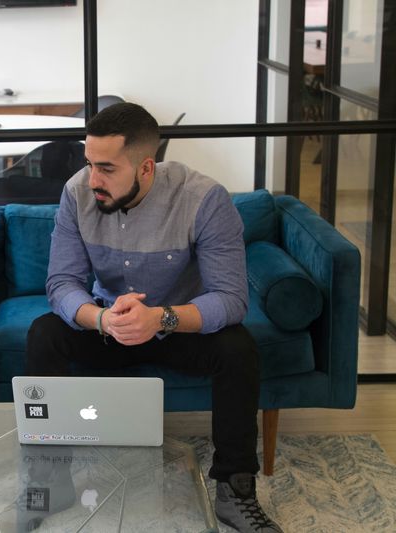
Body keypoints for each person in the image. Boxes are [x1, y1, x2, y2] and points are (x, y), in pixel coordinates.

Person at [25, 103, 283, 533]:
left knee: (237, 346)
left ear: (147, 167)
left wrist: (159, 319)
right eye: (89, 164)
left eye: (106, 168)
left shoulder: (203, 198)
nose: (93, 180)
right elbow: (61, 284)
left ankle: (235, 491)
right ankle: (50, 479)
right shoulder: (76, 194)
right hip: (110, 325)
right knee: (44, 334)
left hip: (175, 328)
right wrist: (103, 320)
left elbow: (232, 299)